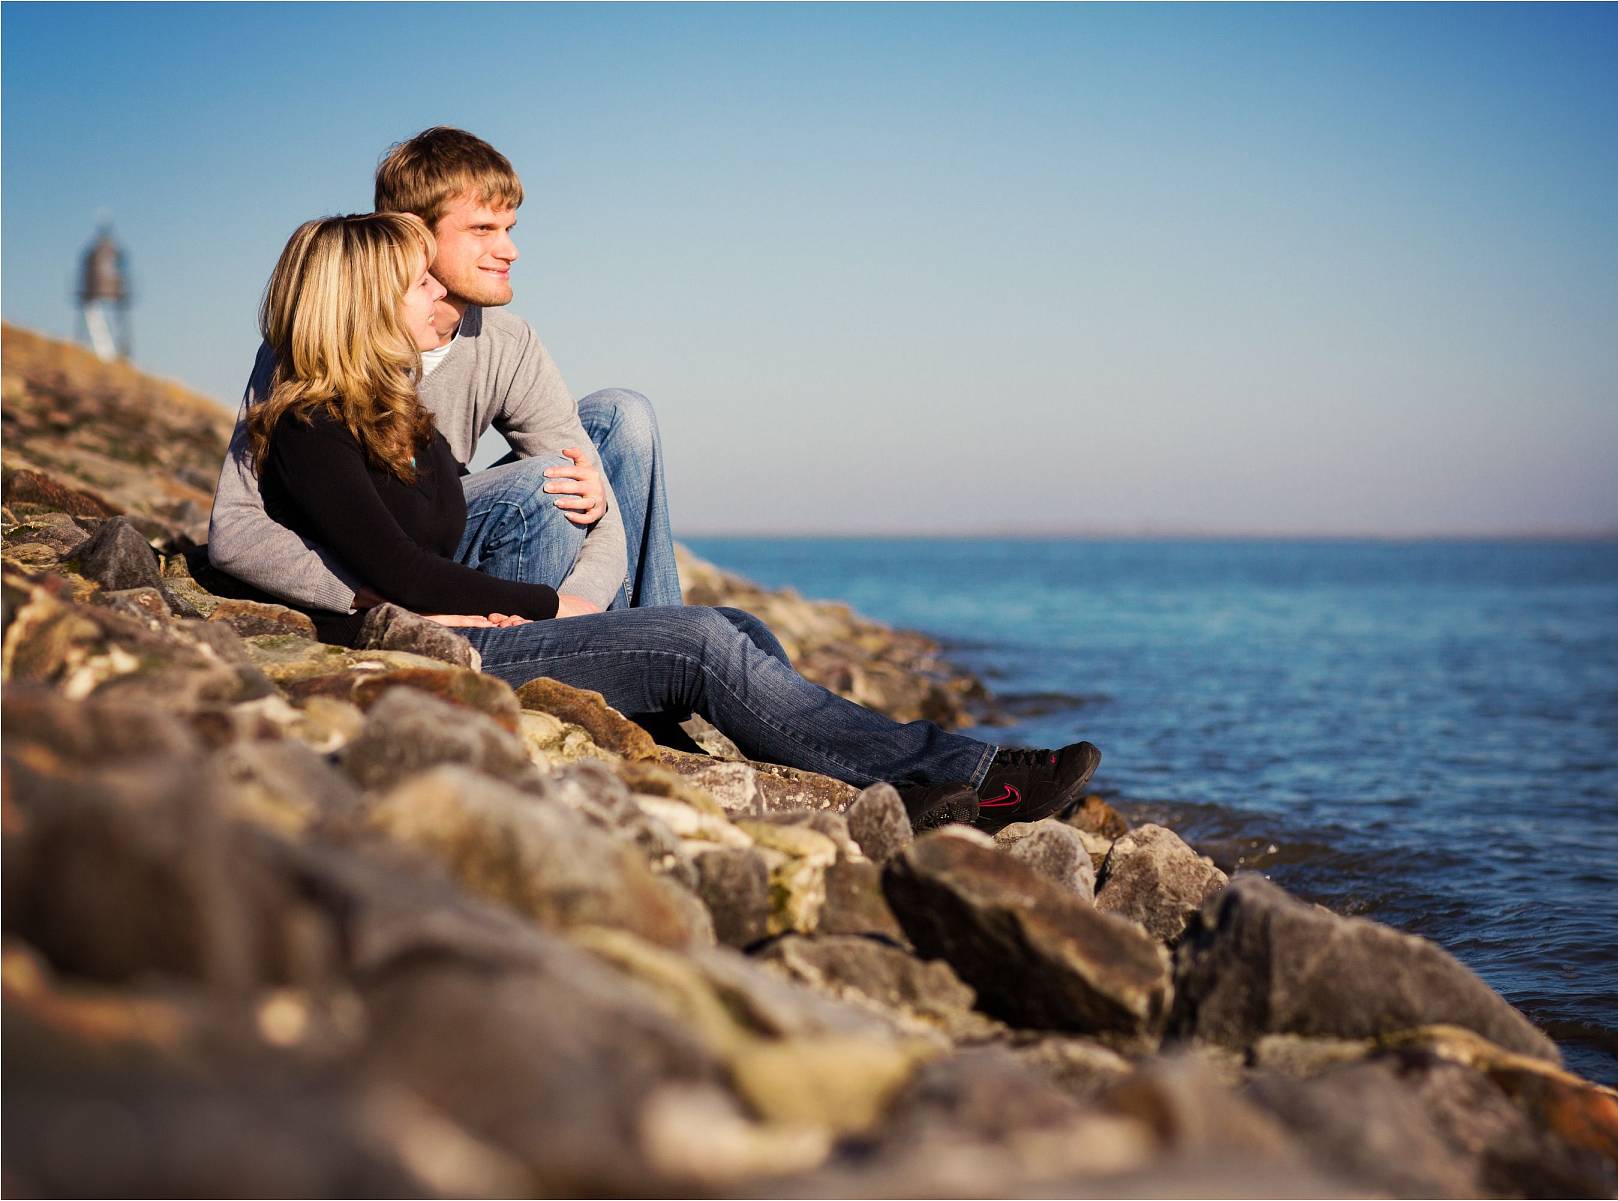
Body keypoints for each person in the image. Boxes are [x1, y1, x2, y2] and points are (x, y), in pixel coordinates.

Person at [237, 211, 1101, 833]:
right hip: (433, 646)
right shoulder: (311, 423)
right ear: (359, 301)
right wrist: (552, 608)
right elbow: (402, 571)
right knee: (697, 644)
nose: (441, 297)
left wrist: (518, 592)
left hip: (469, 622)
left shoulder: (402, 415)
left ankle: (872, 796)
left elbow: (447, 542)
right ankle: (969, 773)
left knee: (736, 624)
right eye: (419, 283)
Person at [209, 126, 677, 619]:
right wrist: (365, 593)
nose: (510, 251)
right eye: (481, 230)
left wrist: (581, 607)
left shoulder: (508, 343)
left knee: (625, 416)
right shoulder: (320, 337)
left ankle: (652, 637)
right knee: (542, 488)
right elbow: (237, 528)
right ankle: (533, 656)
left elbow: (594, 503)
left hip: (441, 524)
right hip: (370, 552)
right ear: (413, 232)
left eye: (509, 229)